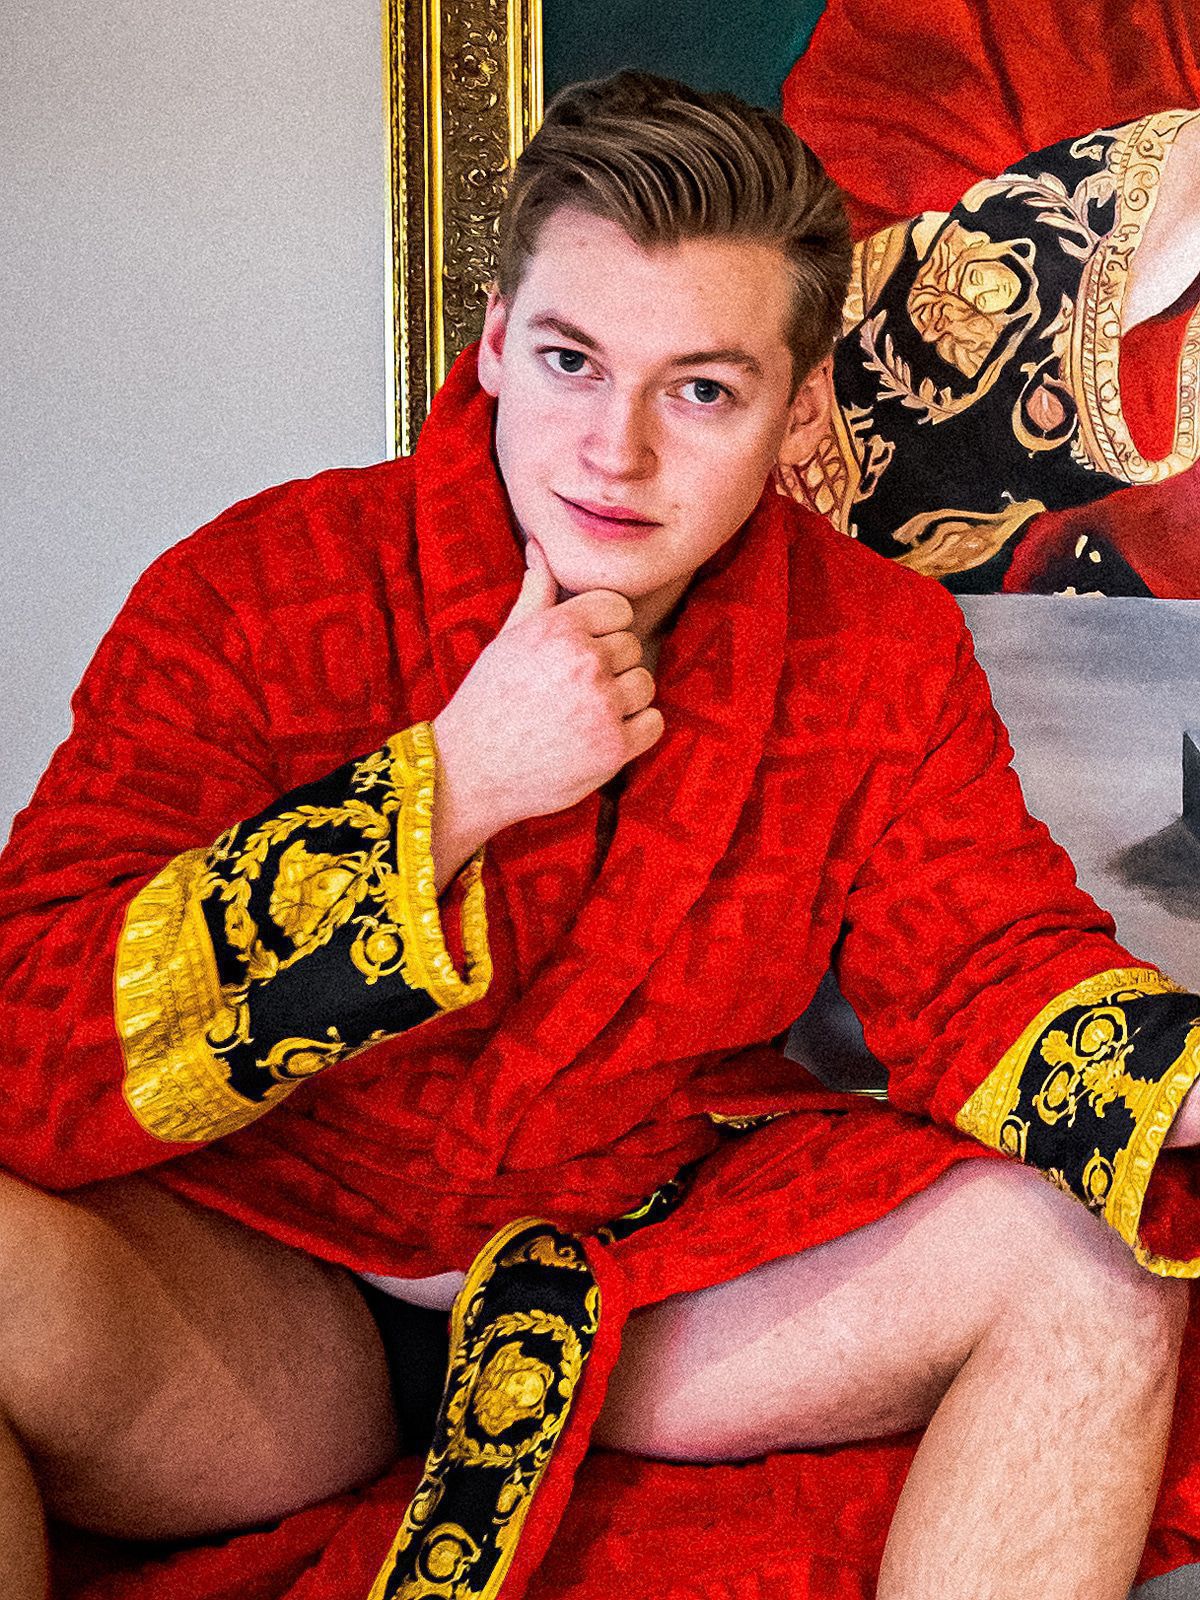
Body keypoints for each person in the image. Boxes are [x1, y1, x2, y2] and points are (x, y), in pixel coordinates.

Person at [2, 70, 1200, 1600]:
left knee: (1101, 1265)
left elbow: (986, 967)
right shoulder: (261, 584)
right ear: (497, 341)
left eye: (701, 390)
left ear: (798, 409)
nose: (613, 452)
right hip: (258, 1285)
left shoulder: (873, 649)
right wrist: (448, 791)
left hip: (648, 1281)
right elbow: (27, 1031)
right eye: (573, 362)